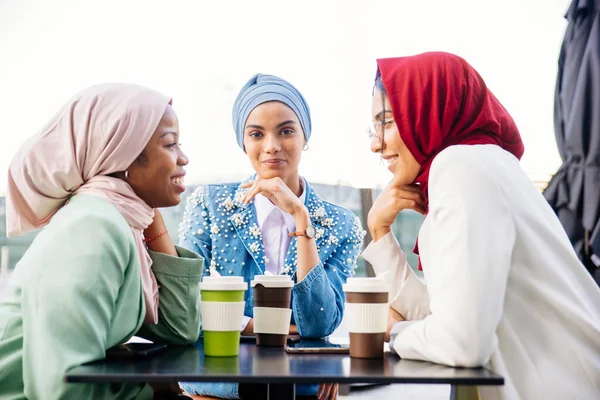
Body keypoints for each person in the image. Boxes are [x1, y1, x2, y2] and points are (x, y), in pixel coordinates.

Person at [362, 52, 600, 399]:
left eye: (387, 122)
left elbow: (462, 342)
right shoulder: (484, 163)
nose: (375, 144)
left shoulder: (461, 168)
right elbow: (443, 315)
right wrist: (381, 235)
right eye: (374, 127)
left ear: (428, 108)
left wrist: (398, 332)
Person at [0, 83, 203, 399]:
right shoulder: (91, 228)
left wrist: (152, 221)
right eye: (170, 145)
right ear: (122, 155)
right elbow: (59, 390)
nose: (184, 158)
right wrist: (151, 391)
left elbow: (180, 330)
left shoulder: (123, 221)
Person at [178, 73, 365, 400]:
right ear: (244, 142)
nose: (272, 146)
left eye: (286, 131)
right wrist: (277, 328)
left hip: (300, 386)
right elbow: (186, 305)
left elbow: (320, 323)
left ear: (305, 136)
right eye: (256, 134)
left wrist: (300, 220)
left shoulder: (341, 223)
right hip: (219, 383)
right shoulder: (209, 206)